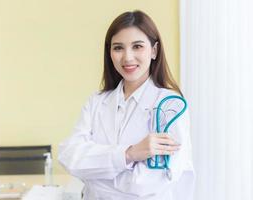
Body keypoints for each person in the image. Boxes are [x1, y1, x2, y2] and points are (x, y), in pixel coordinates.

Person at [58, 10, 195, 200]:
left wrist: (94, 174)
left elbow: (148, 185)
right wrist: (129, 154)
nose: (127, 57)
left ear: (154, 50)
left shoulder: (170, 106)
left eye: (137, 46)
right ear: (110, 53)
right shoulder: (97, 102)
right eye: (118, 48)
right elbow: (69, 156)